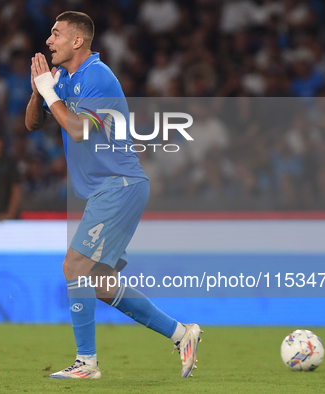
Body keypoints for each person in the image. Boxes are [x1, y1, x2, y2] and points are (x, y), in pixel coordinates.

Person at [25, 11, 202, 379]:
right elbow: (32, 122)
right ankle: (181, 333)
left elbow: (77, 130)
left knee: (74, 266)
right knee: (102, 284)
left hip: (118, 183)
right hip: (109, 188)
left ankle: (86, 363)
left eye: (56, 34)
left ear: (77, 41)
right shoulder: (66, 78)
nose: (48, 41)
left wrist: (48, 90)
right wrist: (38, 89)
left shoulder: (98, 78)